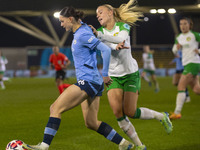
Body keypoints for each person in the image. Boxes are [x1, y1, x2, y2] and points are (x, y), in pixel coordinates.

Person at [23, 6, 134, 150]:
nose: (62, 25)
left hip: (88, 81)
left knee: (55, 108)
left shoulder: (82, 34)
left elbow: (104, 50)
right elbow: (100, 45)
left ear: (70, 19)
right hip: (94, 82)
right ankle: (124, 144)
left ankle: (43, 147)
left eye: (62, 21)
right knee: (91, 123)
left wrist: (105, 74)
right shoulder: (83, 30)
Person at [89, 0, 173, 149]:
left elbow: (119, 39)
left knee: (131, 111)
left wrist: (100, 36)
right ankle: (140, 146)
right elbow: (108, 46)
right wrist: (102, 38)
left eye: (100, 12)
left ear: (110, 13)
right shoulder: (99, 32)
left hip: (130, 74)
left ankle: (161, 116)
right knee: (118, 113)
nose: (97, 15)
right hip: (113, 77)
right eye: (96, 14)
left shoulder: (123, 26)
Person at [170, 17, 200, 120]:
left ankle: (177, 113)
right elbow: (174, 50)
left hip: (193, 63)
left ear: (189, 25)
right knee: (196, 90)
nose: (182, 26)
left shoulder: (195, 35)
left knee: (181, 86)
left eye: (185, 24)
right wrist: (176, 48)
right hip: (186, 64)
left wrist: (199, 51)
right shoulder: (178, 37)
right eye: (181, 24)